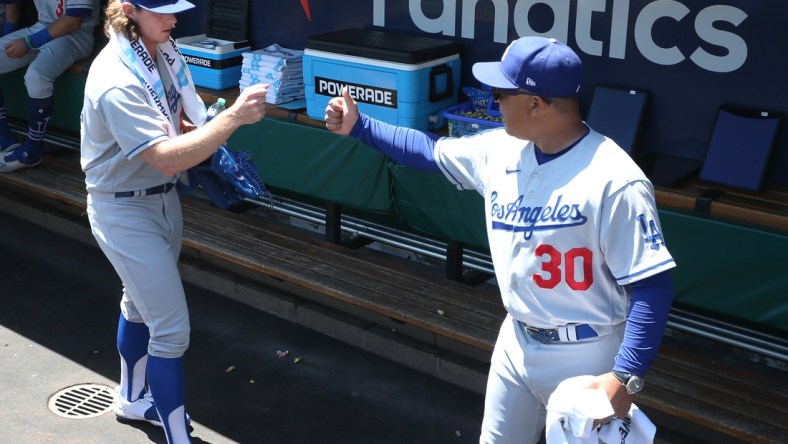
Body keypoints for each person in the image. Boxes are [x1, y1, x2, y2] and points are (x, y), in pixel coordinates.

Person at [324, 36, 676, 443]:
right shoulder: (502, 149)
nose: (493, 100)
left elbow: (653, 284)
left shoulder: (616, 179)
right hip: (516, 339)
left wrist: (624, 378)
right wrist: (359, 126)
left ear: (534, 104)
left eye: (502, 93)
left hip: (587, 352)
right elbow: (429, 151)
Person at [79, 0, 268, 442]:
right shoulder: (115, 77)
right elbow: (164, 158)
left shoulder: (161, 49)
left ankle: (131, 399)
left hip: (162, 200)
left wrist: (205, 125)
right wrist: (231, 119)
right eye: (161, 11)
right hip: (122, 207)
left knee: (138, 304)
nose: (173, 18)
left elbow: (175, 123)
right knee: (171, 331)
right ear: (129, 10)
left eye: (175, 8)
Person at [0, 0, 99, 172]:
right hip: (41, 27)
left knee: (36, 76)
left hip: (76, 35)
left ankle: (32, 151)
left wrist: (28, 42)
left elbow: (73, 20)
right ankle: (5, 139)